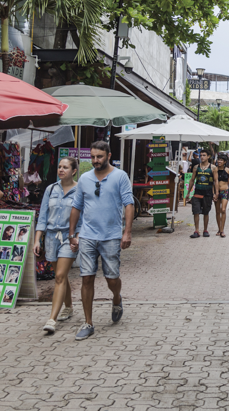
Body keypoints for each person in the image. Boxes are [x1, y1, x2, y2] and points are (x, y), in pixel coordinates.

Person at [68, 141, 135, 341]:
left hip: (111, 236)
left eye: (99, 157)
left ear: (108, 155)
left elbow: (129, 204)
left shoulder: (120, 176)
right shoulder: (84, 179)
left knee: (111, 278)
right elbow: (76, 206)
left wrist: (127, 232)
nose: (95, 161)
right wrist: (72, 234)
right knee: (86, 277)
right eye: (93, 157)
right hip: (88, 235)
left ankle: (116, 298)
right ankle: (88, 322)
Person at [33, 157, 79, 334]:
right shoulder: (51, 189)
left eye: (65, 167)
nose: (61, 170)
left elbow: (82, 217)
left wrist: (78, 237)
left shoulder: (79, 190)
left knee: (59, 276)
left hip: (69, 237)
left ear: (73, 171)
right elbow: (42, 217)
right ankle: (68, 306)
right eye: (59, 167)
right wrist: (37, 239)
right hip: (51, 237)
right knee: (61, 275)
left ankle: (51, 319)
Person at [187, 150, 216, 238]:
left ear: (208, 157)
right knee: (196, 211)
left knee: (206, 212)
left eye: (204, 155)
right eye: (201, 155)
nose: (202, 157)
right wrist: (188, 192)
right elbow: (192, 180)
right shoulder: (196, 167)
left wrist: (215, 193)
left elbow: (215, 181)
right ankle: (196, 230)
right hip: (197, 192)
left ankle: (205, 230)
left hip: (208, 192)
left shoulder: (213, 168)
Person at [213, 155, 229, 237]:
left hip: (225, 191)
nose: (219, 161)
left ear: (225, 162)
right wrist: (214, 193)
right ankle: (219, 229)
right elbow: (213, 182)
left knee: (223, 210)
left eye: (221, 160)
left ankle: (222, 230)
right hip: (216, 192)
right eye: (218, 160)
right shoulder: (214, 170)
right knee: (217, 211)